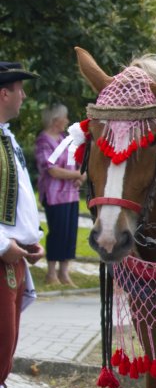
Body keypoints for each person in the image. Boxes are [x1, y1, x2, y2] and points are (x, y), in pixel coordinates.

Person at [0, 61, 44, 388]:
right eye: (19, 89)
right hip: (1, 255)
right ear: (3, 94)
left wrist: (34, 239)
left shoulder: (7, 139)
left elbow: (22, 198)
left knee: (5, 344)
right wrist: (3, 244)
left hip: (14, 256)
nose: (24, 96)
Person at [34, 103, 84, 286]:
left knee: (69, 233)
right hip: (54, 195)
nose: (68, 121)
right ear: (56, 120)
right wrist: (78, 174)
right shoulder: (43, 140)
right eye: (65, 117)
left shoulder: (65, 138)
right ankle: (51, 273)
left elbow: (74, 161)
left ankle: (64, 273)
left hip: (71, 194)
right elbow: (52, 170)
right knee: (57, 233)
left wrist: (79, 176)